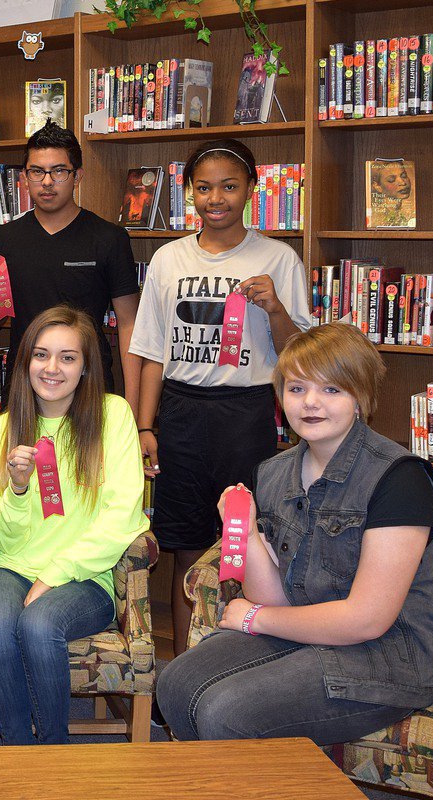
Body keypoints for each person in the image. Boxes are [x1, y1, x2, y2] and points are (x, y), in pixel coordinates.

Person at [157, 323, 433, 744]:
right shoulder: (272, 472)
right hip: (301, 634)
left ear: (361, 398)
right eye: (296, 388)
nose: (310, 403)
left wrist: (255, 619)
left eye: (331, 390)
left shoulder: (400, 477)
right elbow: (274, 594)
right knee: (175, 684)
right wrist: (247, 530)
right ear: (280, 398)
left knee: (229, 711)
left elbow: (367, 619)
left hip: (384, 654)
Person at [129, 138, 312, 655]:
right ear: (190, 193)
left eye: (229, 186)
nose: (216, 198)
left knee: (246, 540)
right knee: (186, 543)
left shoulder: (279, 257)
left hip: (247, 414)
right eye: (204, 187)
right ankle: (185, 663)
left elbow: (299, 355)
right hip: (181, 414)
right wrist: (146, 428)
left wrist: (274, 307)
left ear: (251, 189)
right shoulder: (168, 258)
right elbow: (150, 354)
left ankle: (242, 657)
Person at [0, 306, 148, 745]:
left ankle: (53, 751)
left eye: (67, 357)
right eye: (41, 355)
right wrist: (16, 490)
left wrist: (54, 575)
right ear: (25, 362)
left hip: (88, 574)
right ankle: (16, 749)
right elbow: (0, 535)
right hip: (12, 565)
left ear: (86, 365)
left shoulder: (113, 416)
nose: (51, 368)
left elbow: (124, 515)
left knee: (38, 623)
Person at [0, 122, 141, 412]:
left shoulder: (109, 238)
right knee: (22, 458)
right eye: (37, 171)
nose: (47, 182)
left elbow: (130, 324)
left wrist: (133, 411)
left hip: (88, 384)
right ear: (24, 178)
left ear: (77, 177)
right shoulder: (6, 238)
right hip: (25, 385)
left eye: (59, 171)